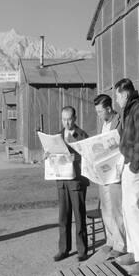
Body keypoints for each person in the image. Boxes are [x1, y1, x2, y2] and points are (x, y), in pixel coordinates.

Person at [114, 78, 139, 275]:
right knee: (127, 209)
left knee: (134, 209)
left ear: (125, 94)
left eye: (117, 96)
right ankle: (132, 251)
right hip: (130, 165)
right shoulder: (130, 110)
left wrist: (134, 165)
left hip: (136, 167)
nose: (117, 100)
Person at [53, 106, 89, 262]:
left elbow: (89, 156)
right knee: (63, 217)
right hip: (61, 181)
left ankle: (82, 250)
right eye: (63, 119)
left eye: (69, 119)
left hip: (76, 182)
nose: (66, 123)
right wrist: (48, 154)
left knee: (79, 216)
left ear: (75, 118)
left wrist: (77, 158)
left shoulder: (82, 136)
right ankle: (64, 249)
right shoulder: (57, 136)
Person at [93, 94, 127, 258]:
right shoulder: (103, 124)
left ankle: (120, 244)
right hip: (103, 172)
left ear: (108, 108)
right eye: (97, 112)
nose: (98, 115)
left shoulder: (120, 121)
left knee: (116, 209)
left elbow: (123, 144)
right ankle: (110, 240)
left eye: (100, 112)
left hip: (115, 171)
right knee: (105, 208)